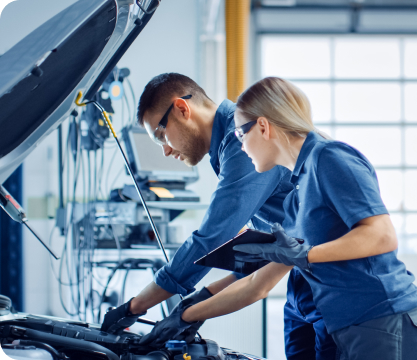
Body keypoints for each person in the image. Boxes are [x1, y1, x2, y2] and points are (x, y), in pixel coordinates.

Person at [101, 73, 338, 359]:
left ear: (181, 109)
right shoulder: (232, 147)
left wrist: (136, 306)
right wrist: (201, 299)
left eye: (162, 135)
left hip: (335, 285)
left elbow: (212, 238)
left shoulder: (245, 141)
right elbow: (269, 249)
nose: (165, 150)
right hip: (302, 285)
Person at [229, 77, 417, 359]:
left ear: (263, 126)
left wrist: (306, 254)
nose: (240, 145)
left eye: (241, 134)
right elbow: (265, 276)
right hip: (352, 327)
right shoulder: (298, 187)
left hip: (384, 321)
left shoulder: (329, 158)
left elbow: (382, 235)